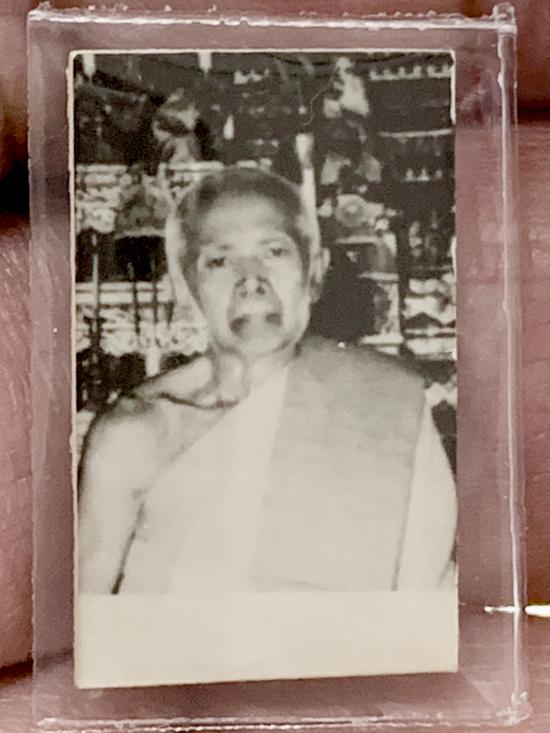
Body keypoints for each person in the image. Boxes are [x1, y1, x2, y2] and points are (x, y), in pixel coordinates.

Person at [78, 166, 457, 594]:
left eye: (274, 251)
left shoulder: (386, 405)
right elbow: (86, 613)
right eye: (219, 260)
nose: (251, 281)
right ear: (186, 289)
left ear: (315, 272)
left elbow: (428, 601)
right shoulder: (137, 433)